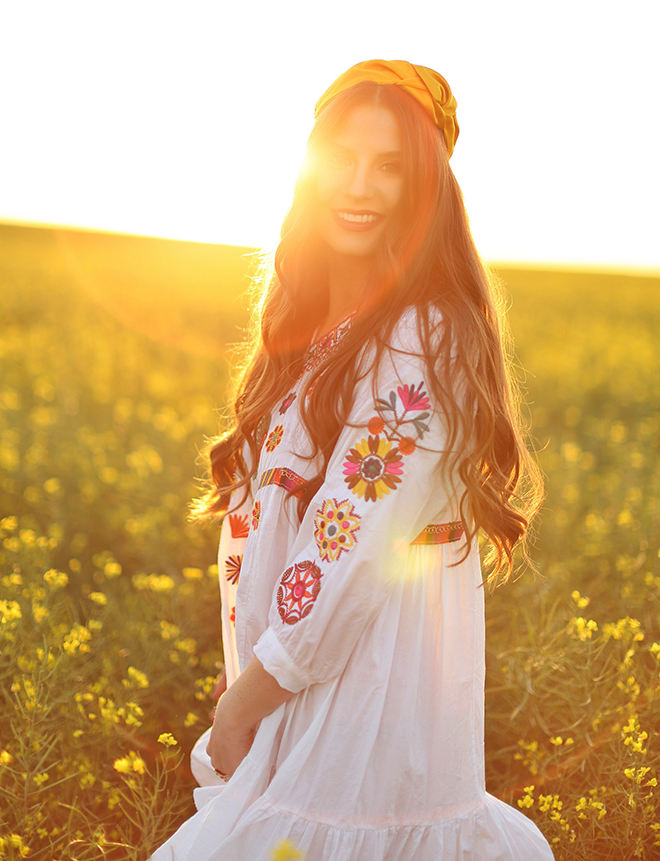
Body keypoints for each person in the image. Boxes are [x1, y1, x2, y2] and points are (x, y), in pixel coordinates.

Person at [149, 60, 554, 860]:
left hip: (359, 715)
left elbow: (347, 546)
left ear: (425, 189)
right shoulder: (320, 327)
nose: (359, 185)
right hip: (300, 703)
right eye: (343, 158)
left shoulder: (419, 335)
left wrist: (241, 708)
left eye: (390, 167)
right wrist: (252, 692)